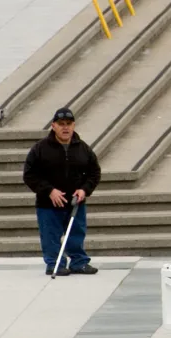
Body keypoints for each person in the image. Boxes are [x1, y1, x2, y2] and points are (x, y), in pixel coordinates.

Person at [23, 107, 101, 277]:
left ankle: (79, 262)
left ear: (74, 125)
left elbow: (94, 173)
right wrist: (49, 191)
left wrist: (84, 190)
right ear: (53, 126)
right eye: (61, 124)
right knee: (50, 235)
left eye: (68, 124)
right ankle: (55, 264)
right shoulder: (40, 149)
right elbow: (30, 174)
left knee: (76, 233)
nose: (65, 128)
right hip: (48, 204)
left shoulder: (83, 148)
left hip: (75, 202)